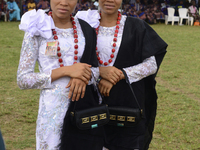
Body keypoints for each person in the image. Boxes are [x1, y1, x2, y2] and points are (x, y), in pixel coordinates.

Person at [75, 0, 167, 148]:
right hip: (91, 106)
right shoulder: (84, 26)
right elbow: (73, 63)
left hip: (126, 106)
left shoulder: (137, 27)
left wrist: (119, 74)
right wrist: (100, 73)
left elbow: (151, 64)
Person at [17, 0, 104, 149]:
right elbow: (23, 79)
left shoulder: (85, 28)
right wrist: (66, 71)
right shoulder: (37, 28)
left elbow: (97, 70)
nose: (64, 3)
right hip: (52, 115)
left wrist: (84, 76)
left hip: (83, 109)